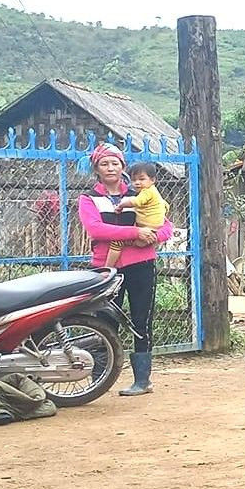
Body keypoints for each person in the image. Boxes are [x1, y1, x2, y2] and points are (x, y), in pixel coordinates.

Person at [77, 144, 172, 397]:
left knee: (142, 319)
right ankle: (100, 380)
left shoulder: (141, 193)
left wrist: (153, 237)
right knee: (104, 321)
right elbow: (96, 230)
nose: (111, 168)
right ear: (96, 168)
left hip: (141, 264)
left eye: (115, 163)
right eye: (105, 164)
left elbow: (165, 226)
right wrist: (134, 232)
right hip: (106, 267)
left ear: (122, 167)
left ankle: (143, 380)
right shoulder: (89, 198)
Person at [104, 162, 167, 269]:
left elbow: (137, 202)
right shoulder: (155, 193)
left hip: (148, 234)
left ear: (153, 180)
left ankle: (107, 268)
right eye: (134, 180)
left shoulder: (147, 192)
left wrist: (122, 205)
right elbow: (166, 205)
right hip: (151, 231)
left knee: (117, 242)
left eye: (141, 179)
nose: (137, 183)